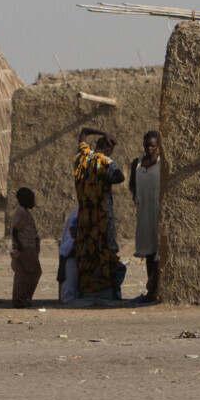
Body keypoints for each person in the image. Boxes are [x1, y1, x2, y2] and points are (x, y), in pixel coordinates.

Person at [73, 127, 125, 300]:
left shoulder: (83, 156)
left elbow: (83, 131)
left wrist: (104, 132)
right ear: (108, 150)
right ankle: (112, 291)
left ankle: (84, 290)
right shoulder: (103, 161)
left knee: (85, 251)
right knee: (107, 250)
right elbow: (119, 177)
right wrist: (103, 178)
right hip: (101, 217)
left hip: (84, 217)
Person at [128, 129, 166, 304]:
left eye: (152, 145)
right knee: (149, 253)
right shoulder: (137, 163)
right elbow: (132, 185)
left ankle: (156, 289)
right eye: (146, 145)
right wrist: (136, 195)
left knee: (160, 252)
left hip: (158, 212)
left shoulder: (162, 163)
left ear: (158, 145)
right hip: (144, 212)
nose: (149, 148)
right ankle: (150, 290)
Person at [8, 187, 42, 308]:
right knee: (35, 272)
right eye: (31, 199)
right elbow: (15, 230)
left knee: (22, 274)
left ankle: (19, 299)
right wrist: (19, 245)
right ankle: (23, 297)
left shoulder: (24, 212)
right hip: (25, 248)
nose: (34, 202)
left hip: (26, 247)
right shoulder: (21, 213)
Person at [57, 206, 79, 303]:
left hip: (69, 247)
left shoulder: (78, 211)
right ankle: (67, 299)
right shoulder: (78, 212)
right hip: (70, 247)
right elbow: (72, 230)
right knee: (69, 277)